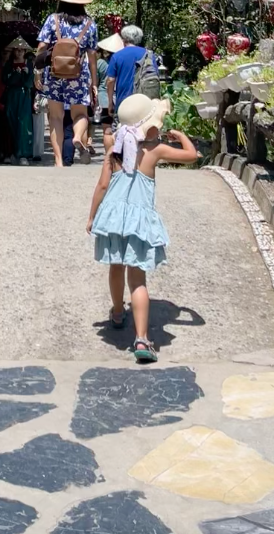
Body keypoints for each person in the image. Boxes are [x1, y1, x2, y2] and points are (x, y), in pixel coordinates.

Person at [87, 93, 198, 363]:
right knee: (137, 280)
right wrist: (181, 135)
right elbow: (192, 156)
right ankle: (141, 339)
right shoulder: (155, 150)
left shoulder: (114, 145)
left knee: (116, 266)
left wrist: (92, 217)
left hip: (113, 217)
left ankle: (116, 312)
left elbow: (102, 185)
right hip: (137, 221)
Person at [35, 0, 99, 167]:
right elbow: (92, 57)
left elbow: (41, 47)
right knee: (80, 114)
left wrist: (38, 71)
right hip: (79, 75)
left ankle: (58, 161)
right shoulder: (90, 24)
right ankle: (78, 137)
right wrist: (94, 83)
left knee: (55, 117)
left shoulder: (52, 20)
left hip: (54, 74)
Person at [105, 25, 160, 119]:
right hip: (143, 102)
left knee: (121, 130)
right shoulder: (149, 55)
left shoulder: (117, 56)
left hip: (123, 102)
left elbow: (110, 80)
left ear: (124, 39)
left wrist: (110, 102)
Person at [2, 36, 35, 166]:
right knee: (11, 122)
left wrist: (27, 73)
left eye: (22, 50)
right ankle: (10, 153)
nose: (19, 52)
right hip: (12, 95)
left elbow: (29, 84)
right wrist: (15, 74)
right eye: (17, 49)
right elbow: (5, 80)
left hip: (24, 96)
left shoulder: (29, 64)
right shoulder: (8, 65)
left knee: (24, 124)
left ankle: (23, 154)